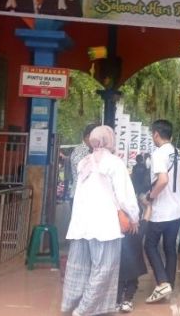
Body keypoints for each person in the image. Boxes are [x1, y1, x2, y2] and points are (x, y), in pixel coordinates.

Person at [61, 125, 140, 316]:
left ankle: (69, 305)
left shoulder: (84, 163)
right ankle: (83, 310)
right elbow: (124, 196)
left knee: (79, 268)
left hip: (81, 224)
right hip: (105, 226)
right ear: (109, 141)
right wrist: (134, 217)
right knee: (103, 270)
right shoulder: (114, 163)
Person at [144, 119, 180, 304]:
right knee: (170, 248)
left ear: (156, 134)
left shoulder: (158, 154)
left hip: (162, 210)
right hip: (177, 209)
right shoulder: (178, 153)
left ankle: (161, 282)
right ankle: (169, 284)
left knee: (150, 245)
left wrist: (151, 197)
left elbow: (162, 180)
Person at [116, 196, 147, 314]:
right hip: (134, 268)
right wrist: (148, 206)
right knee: (132, 282)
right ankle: (127, 301)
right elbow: (147, 218)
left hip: (121, 268)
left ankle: (118, 301)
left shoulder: (117, 231)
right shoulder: (138, 229)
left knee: (119, 281)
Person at [69, 123, 98, 208]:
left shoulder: (91, 151)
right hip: (79, 197)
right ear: (88, 136)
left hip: (86, 197)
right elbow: (84, 173)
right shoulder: (80, 152)